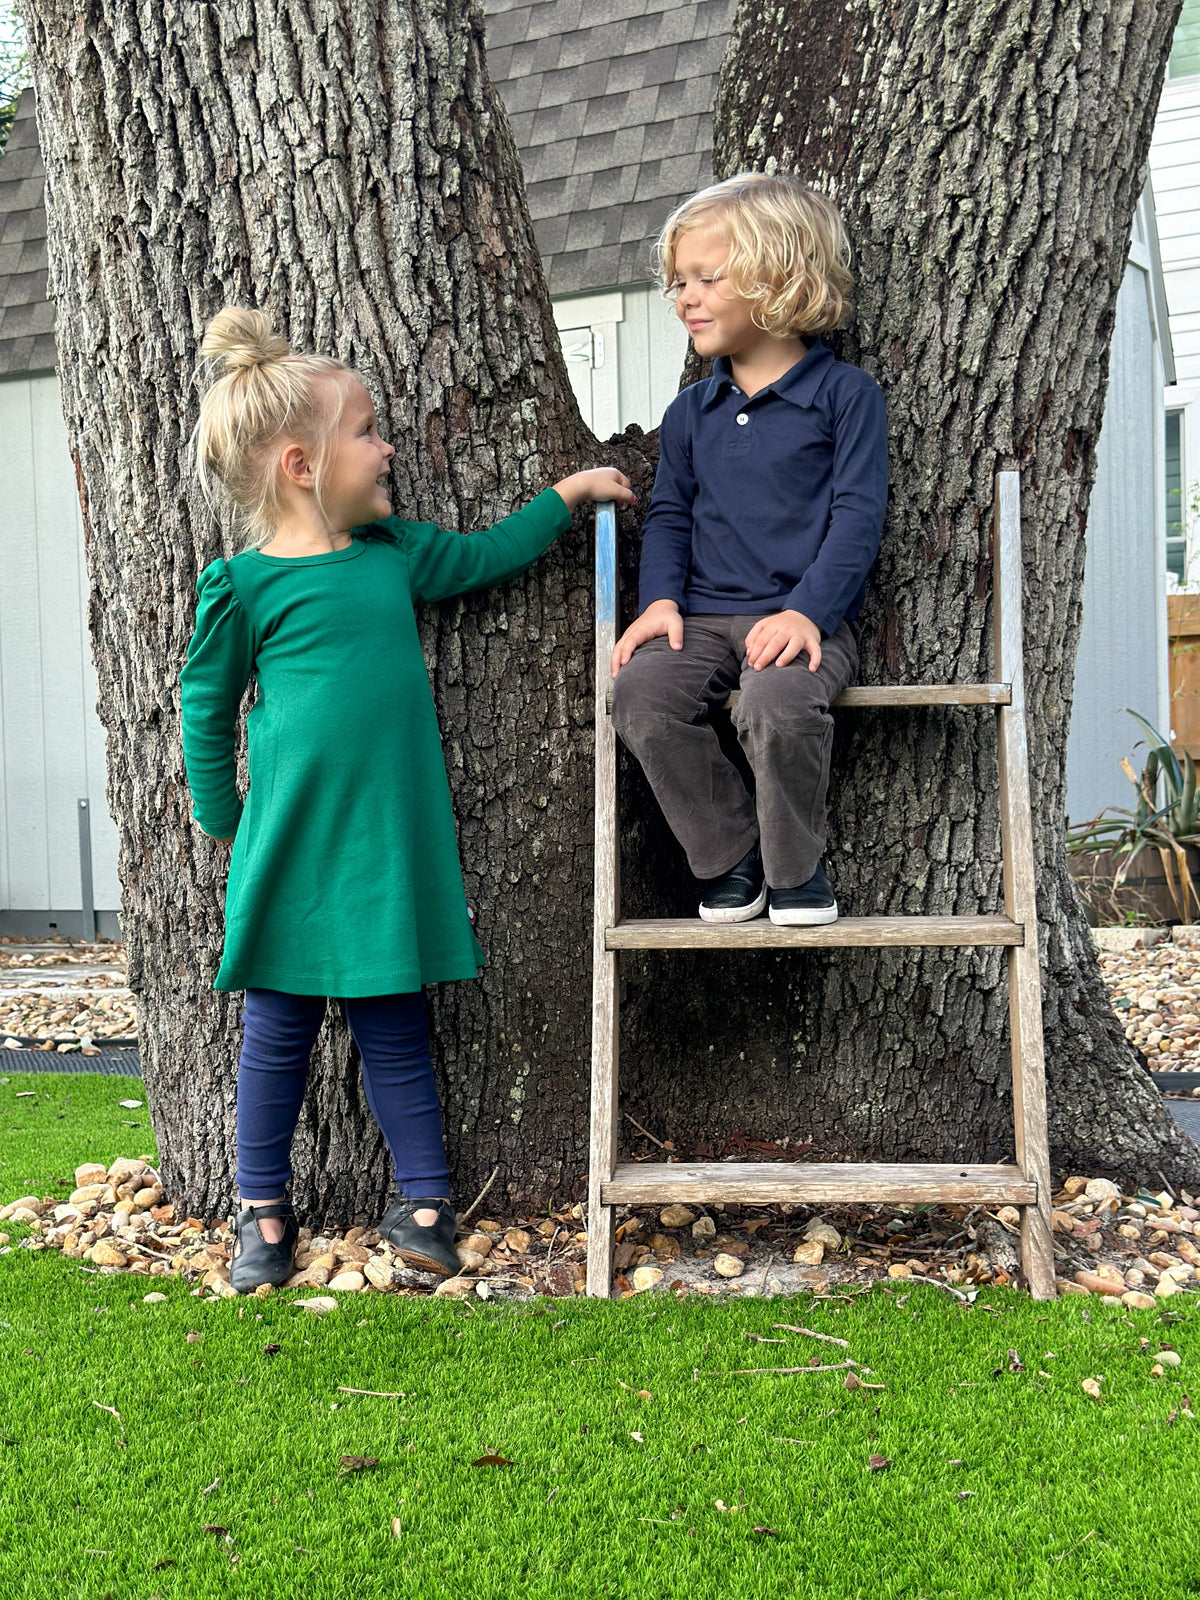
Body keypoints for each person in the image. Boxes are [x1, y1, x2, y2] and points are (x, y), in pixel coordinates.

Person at [179, 307, 635, 1293]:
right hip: (292, 849)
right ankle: (261, 1205)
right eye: (367, 431)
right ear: (302, 465)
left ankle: (423, 1201)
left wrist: (564, 495)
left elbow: (482, 555)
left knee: (395, 1026)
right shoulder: (244, 586)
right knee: (277, 1036)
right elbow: (205, 700)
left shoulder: (394, 552)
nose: (386, 448)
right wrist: (222, 814)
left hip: (386, 848)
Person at [610, 173, 888, 926]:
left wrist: (807, 613)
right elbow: (668, 514)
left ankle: (797, 870)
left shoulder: (845, 396)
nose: (685, 298)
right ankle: (731, 857)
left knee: (774, 705)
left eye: (707, 277)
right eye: (677, 283)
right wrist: (659, 602)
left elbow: (858, 516)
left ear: (780, 275)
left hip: (806, 621)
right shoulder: (691, 412)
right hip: (700, 621)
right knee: (639, 694)